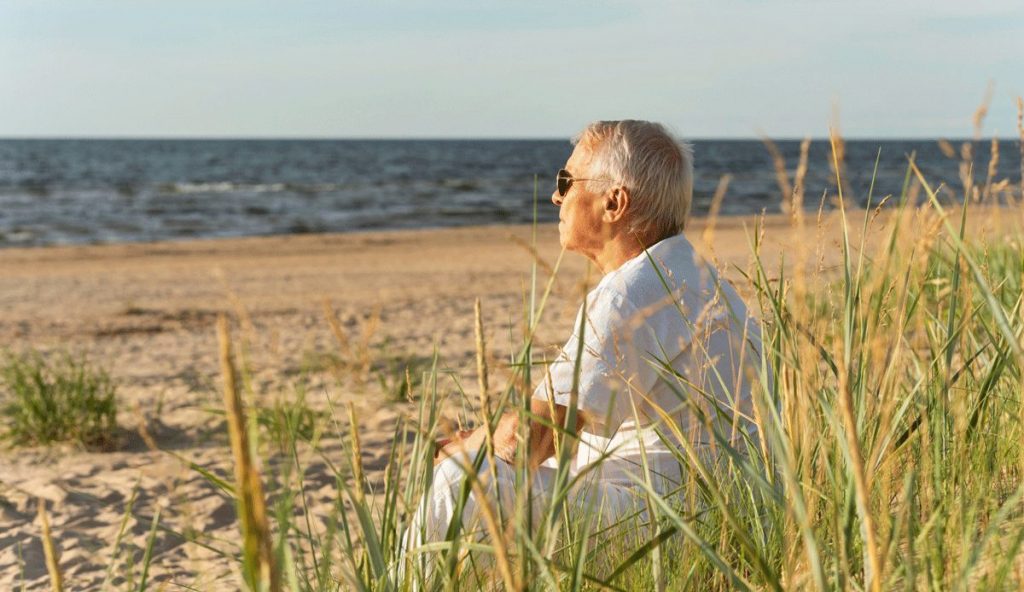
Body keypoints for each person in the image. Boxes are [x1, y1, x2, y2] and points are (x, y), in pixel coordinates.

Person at [402, 120, 764, 576]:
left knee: (461, 481)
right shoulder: (699, 278)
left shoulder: (632, 293)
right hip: (718, 511)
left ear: (614, 202)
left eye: (566, 182)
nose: (556, 197)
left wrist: (460, 449)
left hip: (662, 522)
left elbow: (533, 437)